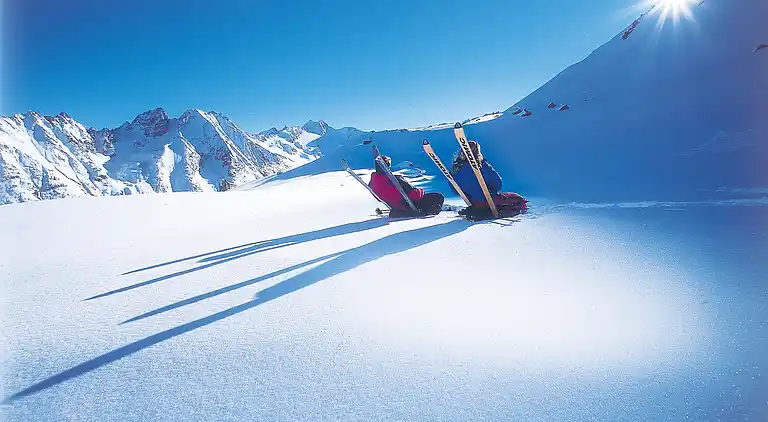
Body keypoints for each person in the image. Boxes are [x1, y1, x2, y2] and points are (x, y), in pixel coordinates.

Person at [450, 140, 527, 219]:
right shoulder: (482, 166)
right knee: (517, 199)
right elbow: (498, 184)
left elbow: (455, 190)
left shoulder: (455, 169)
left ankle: (477, 211)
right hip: (488, 200)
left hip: (472, 202)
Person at [369, 155, 444, 217]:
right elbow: (416, 194)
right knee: (439, 197)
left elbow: (379, 199)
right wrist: (421, 190)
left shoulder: (372, 183)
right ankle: (426, 211)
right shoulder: (395, 179)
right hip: (410, 205)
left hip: (396, 207)